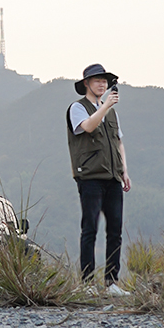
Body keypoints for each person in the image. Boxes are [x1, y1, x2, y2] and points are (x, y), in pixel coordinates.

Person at [66, 63, 131, 293]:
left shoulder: (111, 112)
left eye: (105, 81)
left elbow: (118, 141)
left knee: (115, 230)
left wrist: (124, 170)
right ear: (86, 84)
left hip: (112, 177)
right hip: (90, 177)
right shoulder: (77, 108)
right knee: (90, 228)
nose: (102, 84)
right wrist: (103, 107)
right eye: (97, 80)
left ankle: (111, 282)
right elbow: (88, 127)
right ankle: (86, 284)